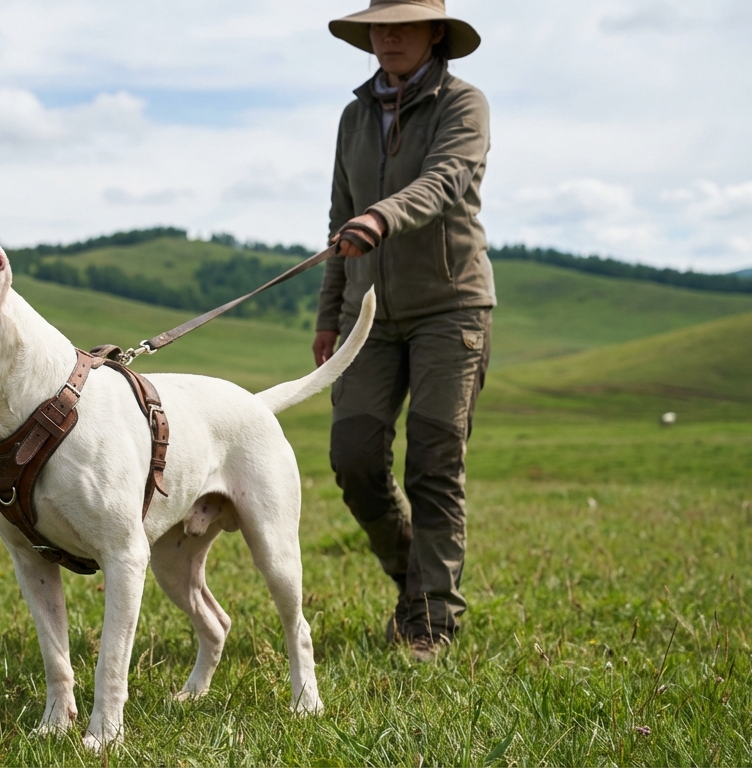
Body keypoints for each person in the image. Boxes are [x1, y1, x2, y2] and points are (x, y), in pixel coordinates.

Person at [312, 0, 494, 662]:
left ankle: (431, 621)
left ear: (435, 32)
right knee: (354, 458)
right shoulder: (354, 116)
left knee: (434, 462)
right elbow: (339, 216)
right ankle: (416, 582)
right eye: (378, 26)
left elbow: (445, 181)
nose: (387, 36)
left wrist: (382, 217)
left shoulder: (463, 104)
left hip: (452, 306)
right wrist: (329, 315)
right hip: (367, 315)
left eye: (403, 24)